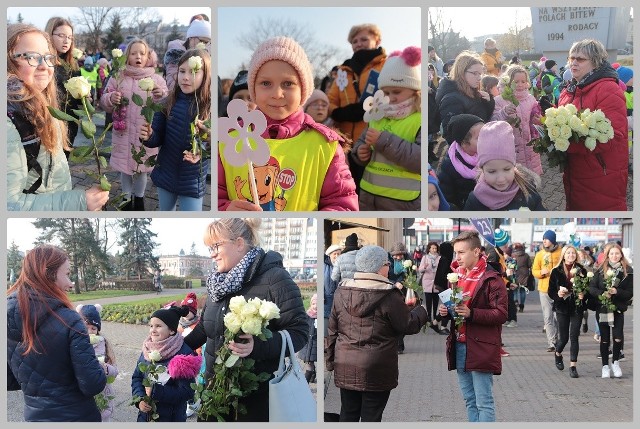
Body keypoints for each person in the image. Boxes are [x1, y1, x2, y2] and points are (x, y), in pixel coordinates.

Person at [183, 218, 308, 421]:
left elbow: (300, 331)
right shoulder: (218, 283)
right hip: (214, 394)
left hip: (254, 400)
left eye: (216, 246)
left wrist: (257, 346)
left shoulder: (275, 278)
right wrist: (172, 345)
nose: (212, 254)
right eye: (209, 248)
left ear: (239, 243)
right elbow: (206, 329)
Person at [218, 36, 358, 211]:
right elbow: (217, 194)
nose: (277, 93)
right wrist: (225, 209)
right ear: (253, 88)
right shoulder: (228, 139)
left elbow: (342, 202)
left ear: (303, 90)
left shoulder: (324, 145)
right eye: (266, 83)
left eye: (288, 83)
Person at [7, 24, 110, 211]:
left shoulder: (42, 103)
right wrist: (79, 202)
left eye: (47, 57)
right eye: (31, 57)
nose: (44, 66)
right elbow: (10, 204)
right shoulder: (9, 123)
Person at [326, 245, 428, 422]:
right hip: (376, 367)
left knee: (348, 414)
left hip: (345, 363)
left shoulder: (342, 291)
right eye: (387, 263)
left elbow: (333, 330)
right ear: (379, 266)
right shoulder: (389, 294)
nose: (389, 267)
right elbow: (407, 325)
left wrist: (330, 362)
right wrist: (422, 311)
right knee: (371, 416)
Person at [7, 245, 107, 421]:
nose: (70, 283)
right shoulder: (69, 319)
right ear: (49, 273)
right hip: (76, 416)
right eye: (67, 274)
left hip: (35, 417)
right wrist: (101, 368)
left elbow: (9, 380)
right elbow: (92, 384)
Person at [436, 231, 508, 422]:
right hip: (459, 343)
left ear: (476, 252)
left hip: (481, 345)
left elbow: (501, 314)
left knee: (483, 401)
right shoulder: (456, 276)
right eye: (455, 253)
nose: (457, 258)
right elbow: (457, 309)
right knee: (469, 400)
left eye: (461, 253)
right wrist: (447, 311)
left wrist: (472, 313)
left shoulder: (492, 278)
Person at [558, 39, 628, 210]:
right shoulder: (569, 90)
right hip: (575, 172)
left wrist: (567, 143)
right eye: (571, 58)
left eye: (580, 59)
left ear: (595, 62)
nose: (573, 62)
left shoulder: (608, 90)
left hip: (601, 174)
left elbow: (613, 136)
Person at [100, 38, 169, 211]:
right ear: (127, 57)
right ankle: (125, 199)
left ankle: (138, 200)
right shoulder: (119, 77)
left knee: (141, 169)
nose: (138, 56)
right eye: (133, 53)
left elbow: (167, 104)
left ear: (148, 57)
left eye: (142, 53)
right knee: (124, 169)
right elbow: (104, 100)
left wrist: (162, 95)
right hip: (123, 132)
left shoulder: (156, 79)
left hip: (144, 133)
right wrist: (110, 98)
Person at [139, 48, 210, 211]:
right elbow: (158, 137)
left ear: (206, 76)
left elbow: (216, 145)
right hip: (167, 173)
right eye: (182, 71)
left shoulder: (209, 108)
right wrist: (149, 136)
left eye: (193, 72)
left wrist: (203, 148)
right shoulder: (166, 103)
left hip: (192, 180)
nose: (185, 77)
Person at [352, 46, 421, 210]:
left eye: (396, 91)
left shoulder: (419, 119)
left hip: (401, 201)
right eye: (386, 92)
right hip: (369, 196)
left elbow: (419, 160)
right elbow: (361, 144)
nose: (390, 98)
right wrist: (360, 153)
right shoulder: (376, 115)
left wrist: (383, 140)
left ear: (414, 91)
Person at [328, 24, 387, 192]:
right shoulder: (343, 71)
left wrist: (366, 108)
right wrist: (338, 112)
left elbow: (393, 96)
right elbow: (330, 100)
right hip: (346, 145)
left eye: (363, 39)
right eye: (354, 41)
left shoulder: (387, 65)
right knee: (349, 189)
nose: (358, 44)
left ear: (377, 41)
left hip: (374, 141)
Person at [132, 305, 201, 422]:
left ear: (172, 330)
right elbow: (137, 377)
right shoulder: (147, 349)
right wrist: (139, 399)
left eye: (158, 326)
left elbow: (187, 392)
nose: (153, 330)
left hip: (171, 418)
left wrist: (157, 392)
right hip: (146, 417)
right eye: (151, 326)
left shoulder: (182, 356)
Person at [464, 121, 544, 210]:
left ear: (514, 166)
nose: (501, 179)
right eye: (492, 171)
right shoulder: (475, 200)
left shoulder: (527, 188)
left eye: (506, 169)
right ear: (482, 169)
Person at [589, 243, 633, 378]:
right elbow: (592, 288)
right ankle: (605, 366)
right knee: (605, 339)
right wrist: (602, 294)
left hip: (618, 308)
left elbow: (630, 292)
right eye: (612, 253)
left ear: (621, 255)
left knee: (618, 337)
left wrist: (616, 291)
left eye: (617, 253)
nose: (614, 256)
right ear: (607, 255)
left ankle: (615, 362)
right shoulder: (600, 270)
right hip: (603, 309)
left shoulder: (628, 271)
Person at [491, 64, 543, 175]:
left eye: (523, 81)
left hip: (531, 149)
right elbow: (492, 123)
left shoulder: (531, 98)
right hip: (511, 150)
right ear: (509, 82)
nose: (520, 85)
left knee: (532, 181)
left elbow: (536, 119)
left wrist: (539, 121)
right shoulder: (499, 100)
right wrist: (504, 112)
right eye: (516, 81)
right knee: (516, 182)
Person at [435, 50, 495, 143]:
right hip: (468, 153)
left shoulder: (473, 91)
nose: (479, 78)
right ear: (462, 72)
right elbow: (452, 135)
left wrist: (488, 103)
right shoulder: (451, 99)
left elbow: (483, 119)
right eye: (475, 73)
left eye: (480, 73)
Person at [547, 245, 589, 378]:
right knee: (563, 338)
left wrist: (584, 295)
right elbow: (550, 291)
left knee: (574, 336)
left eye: (573, 253)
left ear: (576, 255)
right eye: (568, 253)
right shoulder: (556, 271)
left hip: (577, 306)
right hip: (562, 307)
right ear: (564, 255)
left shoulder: (582, 271)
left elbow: (588, 289)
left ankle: (573, 366)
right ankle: (558, 353)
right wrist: (558, 294)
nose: (571, 255)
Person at [44, 17, 81, 153]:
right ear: (49, 34)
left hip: (70, 124)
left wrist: (85, 97)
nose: (66, 41)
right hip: (49, 123)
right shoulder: (44, 64)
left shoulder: (73, 66)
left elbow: (77, 100)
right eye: (61, 36)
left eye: (70, 37)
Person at [76, 304, 118, 421]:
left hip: (103, 397)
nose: (90, 332)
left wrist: (107, 369)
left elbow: (115, 371)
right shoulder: (74, 346)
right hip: (83, 399)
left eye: (93, 328)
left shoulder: (104, 345)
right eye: (86, 327)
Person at [437, 113, 485, 210]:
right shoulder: (450, 166)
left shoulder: (491, 155)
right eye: (480, 137)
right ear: (464, 144)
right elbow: (446, 198)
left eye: (487, 134)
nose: (486, 139)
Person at [532, 230, 562, 352]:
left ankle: (559, 339)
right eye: (543, 239)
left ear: (553, 240)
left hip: (559, 290)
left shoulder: (561, 253)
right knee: (547, 317)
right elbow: (534, 270)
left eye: (547, 239)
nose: (544, 241)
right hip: (544, 290)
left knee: (558, 317)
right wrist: (540, 273)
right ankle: (551, 342)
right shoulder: (539, 254)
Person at [164, 17, 211, 92]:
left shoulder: (207, 56)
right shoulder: (175, 54)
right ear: (191, 38)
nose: (205, 45)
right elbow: (172, 83)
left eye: (208, 43)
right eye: (202, 41)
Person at [419, 242, 446, 334]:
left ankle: (435, 320)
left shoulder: (440, 258)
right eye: (432, 248)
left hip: (436, 283)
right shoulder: (425, 258)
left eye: (435, 248)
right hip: (427, 283)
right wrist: (424, 267)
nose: (434, 250)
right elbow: (420, 270)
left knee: (436, 303)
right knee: (428, 303)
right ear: (429, 249)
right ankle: (428, 319)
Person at [298, 293, 318, 383]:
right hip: (306, 344)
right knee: (308, 362)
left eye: (318, 304)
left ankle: (305, 383)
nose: (315, 306)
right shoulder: (307, 315)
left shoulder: (322, 317)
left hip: (315, 344)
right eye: (313, 304)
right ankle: (312, 376)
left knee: (310, 363)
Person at [324, 244, 342, 335]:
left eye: (339, 254)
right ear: (330, 255)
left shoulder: (342, 266)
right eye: (335, 254)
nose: (337, 256)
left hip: (339, 300)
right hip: (327, 301)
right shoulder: (325, 266)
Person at [512, 242, 532, 313]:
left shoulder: (513, 256)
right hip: (524, 276)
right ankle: (521, 306)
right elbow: (530, 265)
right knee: (522, 291)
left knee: (514, 291)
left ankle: (515, 302)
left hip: (515, 275)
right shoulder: (526, 255)